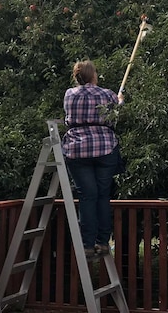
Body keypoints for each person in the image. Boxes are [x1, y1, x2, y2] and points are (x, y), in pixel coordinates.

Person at [63, 59, 124, 260]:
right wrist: (120, 100)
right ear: (93, 75)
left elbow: (68, 117)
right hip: (104, 148)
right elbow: (116, 112)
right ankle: (103, 242)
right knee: (102, 195)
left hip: (77, 149)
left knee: (87, 196)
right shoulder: (107, 94)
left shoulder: (69, 94)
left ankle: (88, 245)